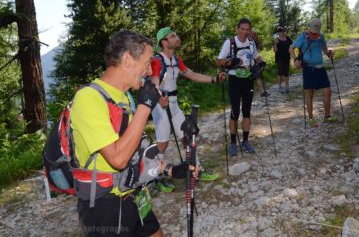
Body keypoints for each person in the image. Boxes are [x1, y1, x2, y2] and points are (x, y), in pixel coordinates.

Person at [71, 30, 194, 237]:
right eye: (146, 63)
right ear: (127, 59)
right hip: (104, 206)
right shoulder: (88, 99)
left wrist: (172, 170)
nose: (148, 71)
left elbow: (136, 154)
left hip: (135, 195)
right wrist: (146, 106)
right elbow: (118, 158)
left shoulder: (124, 97)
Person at [150, 27, 225, 192]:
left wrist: (214, 80)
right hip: (161, 106)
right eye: (173, 35)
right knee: (162, 144)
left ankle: (196, 170)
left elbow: (191, 74)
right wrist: (159, 96)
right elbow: (154, 82)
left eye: (176, 34)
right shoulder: (156, 60)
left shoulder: (176, 59)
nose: (177, 37)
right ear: (164, 41)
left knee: (188, 136)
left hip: (174, 104)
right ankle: (157, 176)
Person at [216, 18, 267, 156]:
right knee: (235, 112)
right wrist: (229, 61)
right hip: (234, 79)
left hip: (248, 79)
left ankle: (245, 141)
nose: (245, 32)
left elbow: (257, 56)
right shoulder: (230, 42)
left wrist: (262, 63)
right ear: (237, 28)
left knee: (247, 111)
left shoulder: (251, 42)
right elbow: (219, 60)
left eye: (247, 29)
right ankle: (233, 143)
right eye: (242, 29)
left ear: (250, 30)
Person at [289, 18, 336, 127]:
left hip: (320, 67)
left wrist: (329, 53)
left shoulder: (321, 36)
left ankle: (327, 116)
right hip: (309, 68)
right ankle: (311, 118)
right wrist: (295, 59)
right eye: (314, 28)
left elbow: (324, 50)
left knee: (327, 91)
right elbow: (291, 48)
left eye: (318, 28)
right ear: (310, 26)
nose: (316, 31)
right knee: (310, 94)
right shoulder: (303, 36)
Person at [248, 30, 270, 97]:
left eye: (254, 34)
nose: (253, 35)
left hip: (256, 60)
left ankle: (262, 92)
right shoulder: (246, 41)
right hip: (247, 62)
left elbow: (261, 48)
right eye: (251, 34)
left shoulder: (255, 41)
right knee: (248, 77)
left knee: (259, 75)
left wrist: (257, 40)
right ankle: (248, 92)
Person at [272, 26, 293, 93]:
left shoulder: (288, 39)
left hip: (287, 57)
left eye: (283, 31)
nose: (282, 33)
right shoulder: (276, 40)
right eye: (280, 31)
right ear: (278, 33)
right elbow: (274, 51)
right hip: (279, 58)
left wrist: (293, 56)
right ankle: (279, 86)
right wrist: (275, 43)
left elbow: (292, 47)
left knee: (286, 73)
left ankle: (287, 87)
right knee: (280, 72)